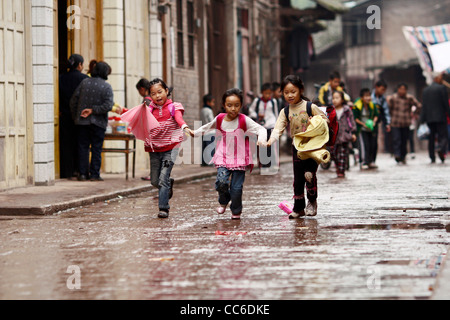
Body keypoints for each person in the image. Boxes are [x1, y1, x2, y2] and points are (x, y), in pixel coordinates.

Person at [188, 88, 267, 220]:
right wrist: (195, 133)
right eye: (229, 105)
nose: (233, 109)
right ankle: (223, 201)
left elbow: (261, 129)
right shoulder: (219, 119)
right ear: (224, 105)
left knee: (236, 188)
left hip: (239, 160)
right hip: (223, 157)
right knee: (221, 182)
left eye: (236, 105)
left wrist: (261, 139)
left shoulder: (244, 120)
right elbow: (207, 127)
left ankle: (236, 211)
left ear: (241, 105)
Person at [267, 75, 328, 219]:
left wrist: (316, 120)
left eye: (293, 91)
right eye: (286, 92)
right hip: (297, 148)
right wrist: (270, 140)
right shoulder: (285, 111)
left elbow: (325, 120)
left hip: (313, 147)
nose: (290, 95)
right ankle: (299, 208)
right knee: (298, 179)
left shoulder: (309, 107)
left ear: (300, 90)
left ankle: (312, 202)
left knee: (309, 175)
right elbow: (278, 128)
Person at [145, 78, 191, 219]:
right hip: (154, 149)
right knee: (155, 181)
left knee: (163, 178)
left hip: (171, 148)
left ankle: (163, 208)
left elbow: (178, 118)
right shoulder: (148, 109)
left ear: (166, 91)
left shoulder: (175, 107)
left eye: (160, 92)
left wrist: (185, 127)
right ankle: (168, 185)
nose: (157, 96)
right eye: (153, 94)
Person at [70, 61, 115, 182]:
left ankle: (83, 174)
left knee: (83, 148)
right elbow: (108, 105)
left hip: (82, 122)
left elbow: (73, 101)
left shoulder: (84, 83)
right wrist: (94, 110)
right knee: (96, 148)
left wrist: (76, 116)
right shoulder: (106, 86)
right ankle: (94, 174)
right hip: (98, 123)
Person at [59, 54, 89, 180]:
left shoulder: (61, 78)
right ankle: (80, 170)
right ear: (80, 65)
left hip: (64, 116)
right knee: (81, 144)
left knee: (66, 144)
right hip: (81, 117)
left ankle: (67, 172)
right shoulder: (85, 79)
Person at [387, 83, 421, 165]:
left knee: (404, 140)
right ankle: (397, 155)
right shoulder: (393, 98)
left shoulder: (409, 98)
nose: (402, 91)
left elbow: (419, 105)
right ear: (398, 89)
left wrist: (415, 114)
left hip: (406, 122)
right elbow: (388, 107)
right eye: (401, 89)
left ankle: (403, 156)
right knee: (396, 139)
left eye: (404, 89)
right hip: (395, 122)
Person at [420, 72, 450, 163]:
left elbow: (424, 106)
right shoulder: (442, 88)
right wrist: (449, 114)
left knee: (431, 138)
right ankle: (441, 149)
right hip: (440, 117)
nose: (441, 79)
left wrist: (422, 119)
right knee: (443, 136)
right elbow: (445, 104)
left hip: (429, 118)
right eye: (441, 77)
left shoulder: (425, 90)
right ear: (437, 78)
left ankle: (432, 156)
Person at [248, 83, 279, 168]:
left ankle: (271, 163)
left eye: (269, 93)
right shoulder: (257, 101)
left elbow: (276, 113)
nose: (268, 95)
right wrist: (257, 115)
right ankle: (263, 163)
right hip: (261, 126)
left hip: (271, 125)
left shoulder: (273, 102)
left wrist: (277, 126)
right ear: (262, 92)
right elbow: (251, 110)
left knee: (271, 145)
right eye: (266, 93)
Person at [332, 91, 357, 178]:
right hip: (334, 136)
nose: (334, 100)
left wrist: (353, 132)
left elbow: (351, 121)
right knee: (334, 154)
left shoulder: (347, 110)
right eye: (333, 98)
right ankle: (338, 167)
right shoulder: (331, 110)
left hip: (344, 135)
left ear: (342, 99)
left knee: (343, 154)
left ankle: (341, 171)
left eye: (337, 98)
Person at [353, 88, 379, 170]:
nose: (368, 98)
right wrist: (363, 124)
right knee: (364, 146)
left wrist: (374, 122)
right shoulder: (357, 106)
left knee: (373, 145)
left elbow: (376, 115)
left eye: (369, 96)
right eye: (366, 96)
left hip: (371, 129)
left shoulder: (372, 105)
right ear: (361, 97)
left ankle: (371, 161)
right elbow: (355, 118)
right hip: (362, 129)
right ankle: (363, 162)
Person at [135, 78, 154, 181]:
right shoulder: (154, 98)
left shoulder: (147, 100)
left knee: (153, 154)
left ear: (142, 89)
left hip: (150, 131)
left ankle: (153, 174)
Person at [371, 80, 392, 156]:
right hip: (367, 122)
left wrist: (387, 123)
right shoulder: (369, 96)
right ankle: (365, 160)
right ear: (376, 87)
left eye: (384, 90)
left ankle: (372, 160)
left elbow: (386, 111)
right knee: (368, 142)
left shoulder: (382, 99)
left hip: (377, 122)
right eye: (382, 89)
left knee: (374, 142)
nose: (383, 92)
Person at [200, 94, 216, 166]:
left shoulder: (202, 110)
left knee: (204, 148)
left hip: (204, 131)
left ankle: (204, 163)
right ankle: (210, 162)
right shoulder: (209, 111)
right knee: (210, 147)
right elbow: (212, 121)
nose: (213, 104)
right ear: (208, 102)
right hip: (210, 132)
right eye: (212, 102)